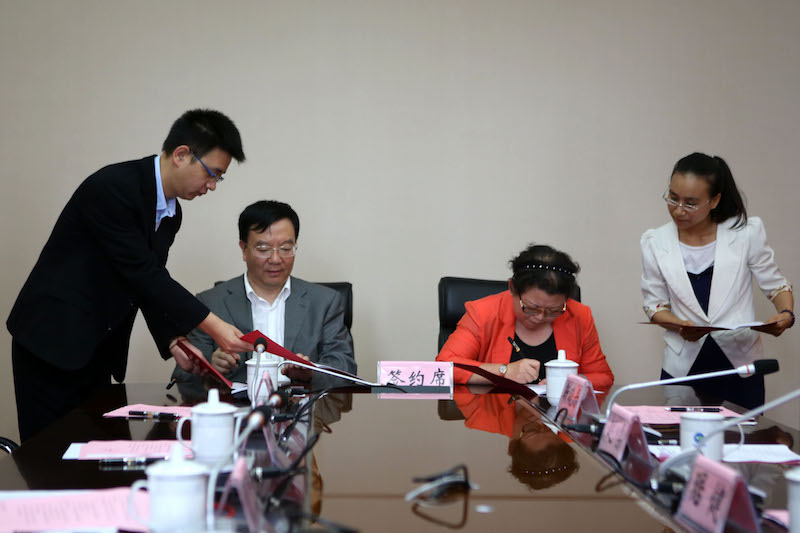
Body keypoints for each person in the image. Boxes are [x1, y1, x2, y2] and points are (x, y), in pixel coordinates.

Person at [7, 109, 254, 441]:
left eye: (218, 179)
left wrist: (173, 339)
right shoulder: (113, 188)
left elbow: (146, 282)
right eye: (212, 173)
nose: (211, 186)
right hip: (52, 338)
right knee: (50, 453)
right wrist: (214, 325)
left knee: (95, 454)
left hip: (95, 345)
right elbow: (142, 273)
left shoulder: (171, 213)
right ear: (182, 155)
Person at [640, 152, 793, 409]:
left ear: (714, 201)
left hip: (740, 365)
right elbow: (654, 305)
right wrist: (679, 324)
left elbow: (776, 285)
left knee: (743, 431)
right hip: (682, 366)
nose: (678, 209)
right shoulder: (655, 241)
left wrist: (786, 314)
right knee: (676, 432)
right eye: (673, 198)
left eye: (690, 203)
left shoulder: (745, 233)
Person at [172, 200, 356, 386]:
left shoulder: (325, 302)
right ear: (244, 249)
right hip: (237, 403)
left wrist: (311, 373)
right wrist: (211, 368)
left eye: (286, 249)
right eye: (263, 249)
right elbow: (182, 376)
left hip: (301, 401)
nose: (275, 259)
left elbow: (346, 368)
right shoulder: (210, 303)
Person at [436, 244, 614, 391]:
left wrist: (573, 382)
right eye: (531, 308)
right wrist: (504, 371)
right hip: (495, 416)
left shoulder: (579, 316)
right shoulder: (483, 312)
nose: (540, 317)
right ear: (513, 288)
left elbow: (603, 376)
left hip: (558, 418)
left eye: (553, 310)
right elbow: (444, 367)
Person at [453, 390, 578, 491]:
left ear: (512, 443)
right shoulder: (572, 421)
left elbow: (450, 374)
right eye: (550, 429)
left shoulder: (481, 415)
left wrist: (502, 370)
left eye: (531, 429)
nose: (540, 421)